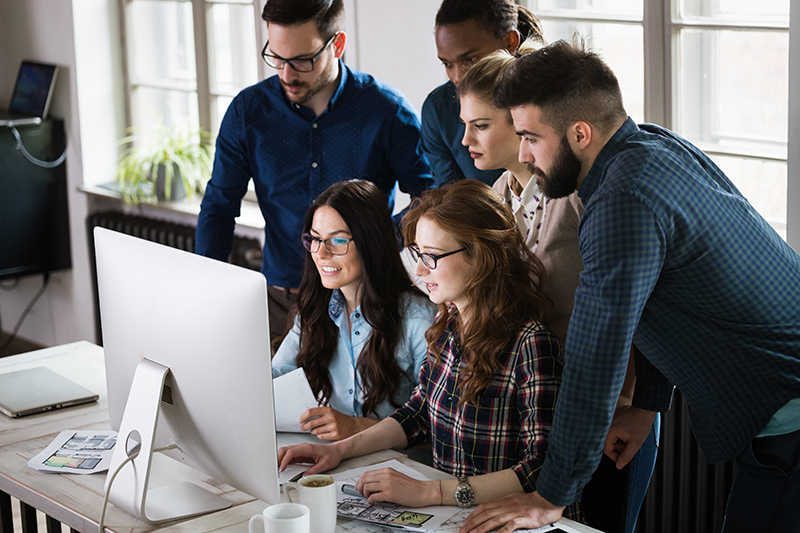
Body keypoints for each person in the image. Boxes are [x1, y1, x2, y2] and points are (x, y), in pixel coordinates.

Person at [461, 38, 800, 533]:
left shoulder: (622, 200)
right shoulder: (653, 144)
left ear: (580, 132)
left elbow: (596, 353)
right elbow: (663, 300)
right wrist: (647, 406)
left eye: (532, 137)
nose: (526, 155)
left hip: (786, 408)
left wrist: (551, 494)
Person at [277, 180, 581, 520]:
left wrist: (429, 491)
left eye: (432, 257)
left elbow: (540, 470)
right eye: (418, 255)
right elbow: (418, 413)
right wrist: (336, 451)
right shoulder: (449, 326)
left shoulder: (531, 344)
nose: (419, 271)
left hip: (498, 518)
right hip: (449, 513)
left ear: (481, 256)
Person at [456, 46, 657, 533]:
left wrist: (642, 405)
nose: (465, 139)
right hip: (541, 415)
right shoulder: (498, 197)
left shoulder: (588, 199)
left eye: (481, 124)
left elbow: (646, 305)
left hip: (608, 414)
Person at [195, 0, 432, 341]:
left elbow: (429, 197)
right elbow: (219, 206)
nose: (287, 75)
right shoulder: (248, 112)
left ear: (337, 44)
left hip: (367, 300)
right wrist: (206, 287)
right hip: (282, 299)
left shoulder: (387, 111)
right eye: (276, 58)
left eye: (303, 60)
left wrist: (375, 239)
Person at [272, 180, 435, 441]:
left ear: (371, 243)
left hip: (400, 468)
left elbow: (435, 427)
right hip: (338, 458)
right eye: (314, 239)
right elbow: (277, 376)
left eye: (337, 240)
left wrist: (357, 427)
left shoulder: (420, 320)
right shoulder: (315, 309)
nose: (321, 253)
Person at [421, 0, 544, 187]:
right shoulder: (437, 108)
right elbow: (453, 197)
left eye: (470, 59)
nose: (457, 78)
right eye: (447, 64)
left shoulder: (550, 98)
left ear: (510, 42)